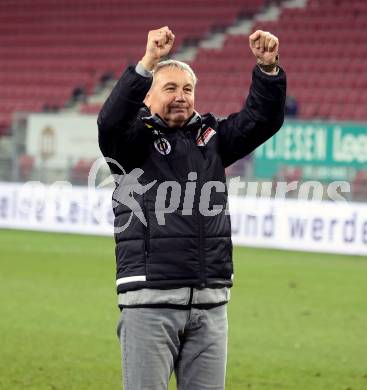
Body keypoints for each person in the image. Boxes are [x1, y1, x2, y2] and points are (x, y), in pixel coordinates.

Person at [97, 26, 286, 390]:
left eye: (187, 89)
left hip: (210, 301)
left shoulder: (212, 138)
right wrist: (149, 61)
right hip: (150, 300)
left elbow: (262, 120)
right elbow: (110, 121)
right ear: (147, 96)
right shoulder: (130, 144)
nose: (181, 96)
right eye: (170, 88)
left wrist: (267, 69)